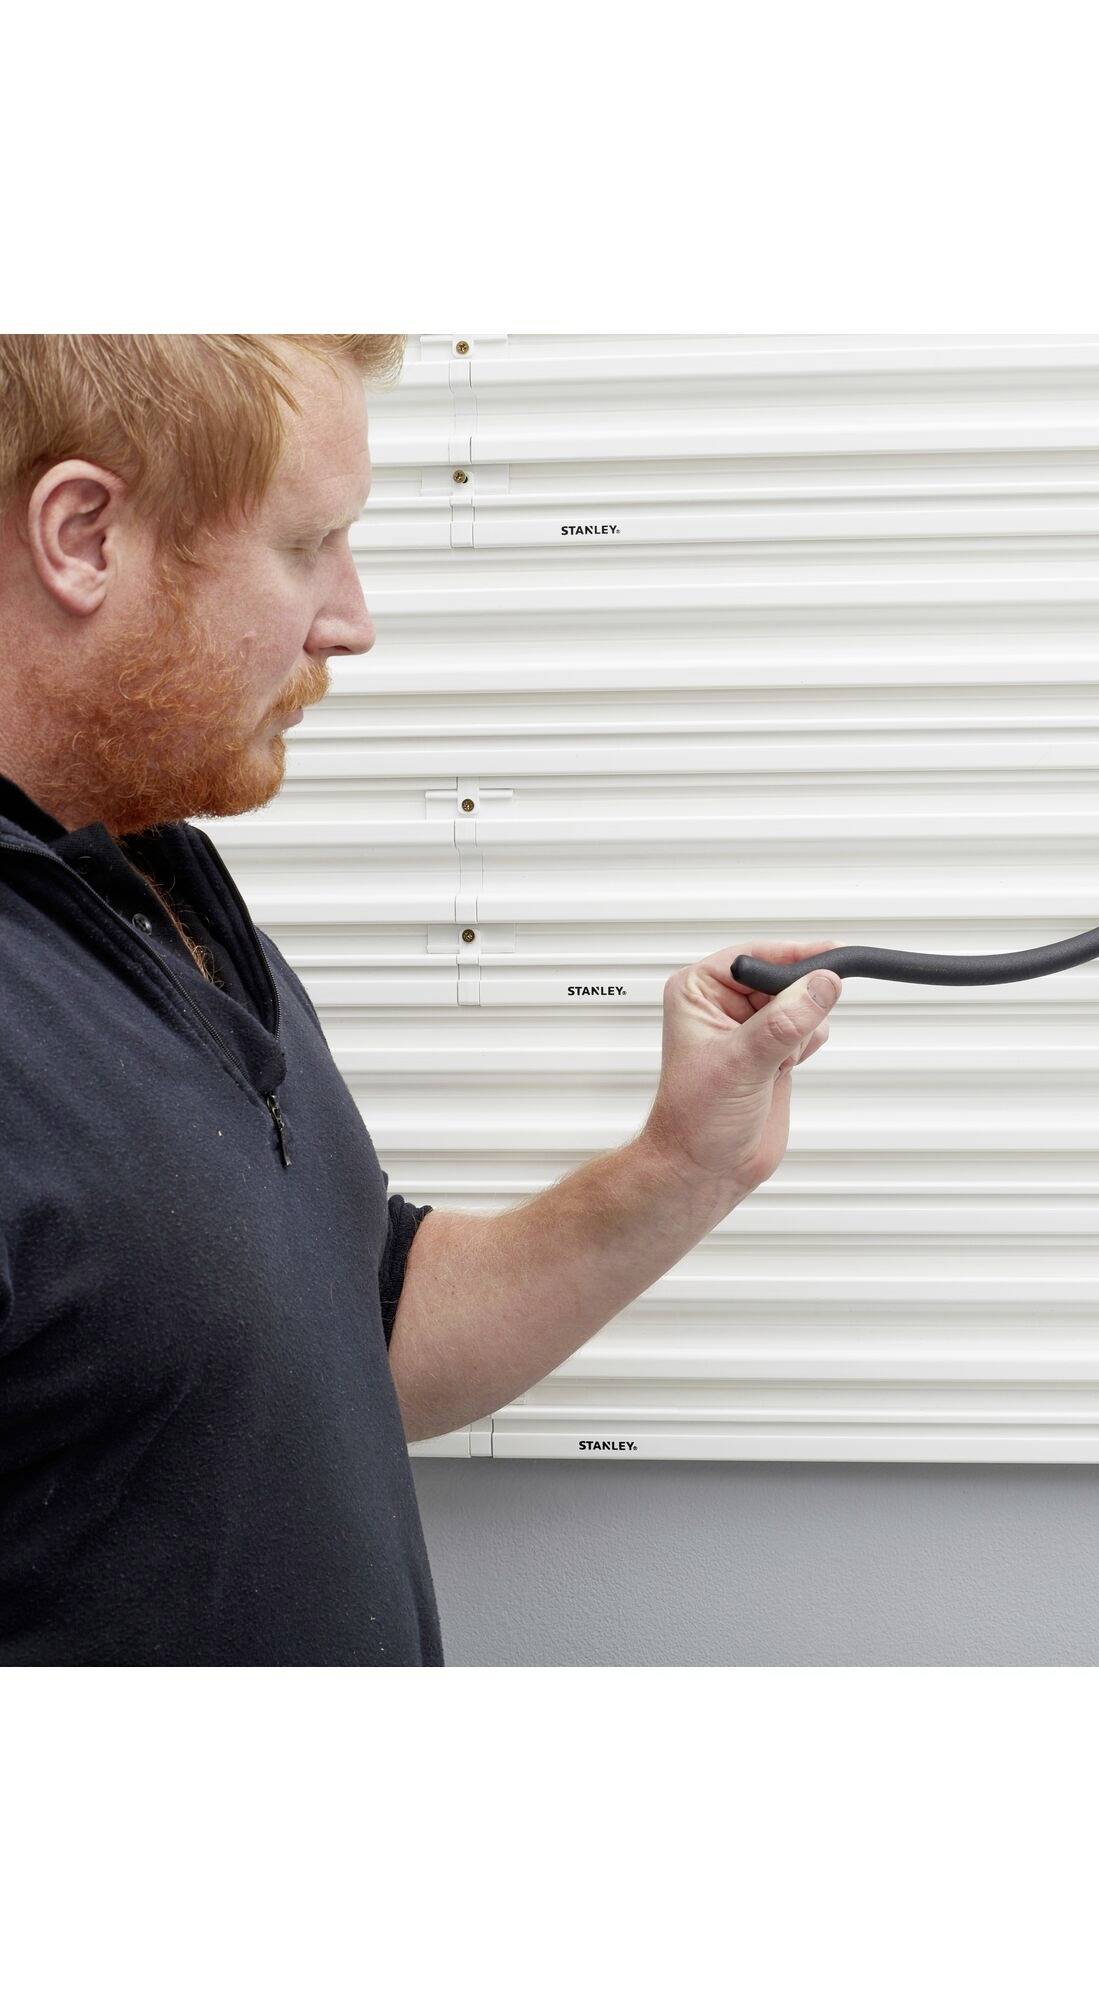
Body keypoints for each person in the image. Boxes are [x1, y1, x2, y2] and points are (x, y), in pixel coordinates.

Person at [0, 335, 841, 1665]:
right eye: (305, 545)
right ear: (84, 534)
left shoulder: (157, 878)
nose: (352, 617)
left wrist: (685, 1165)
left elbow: (345, 1334)